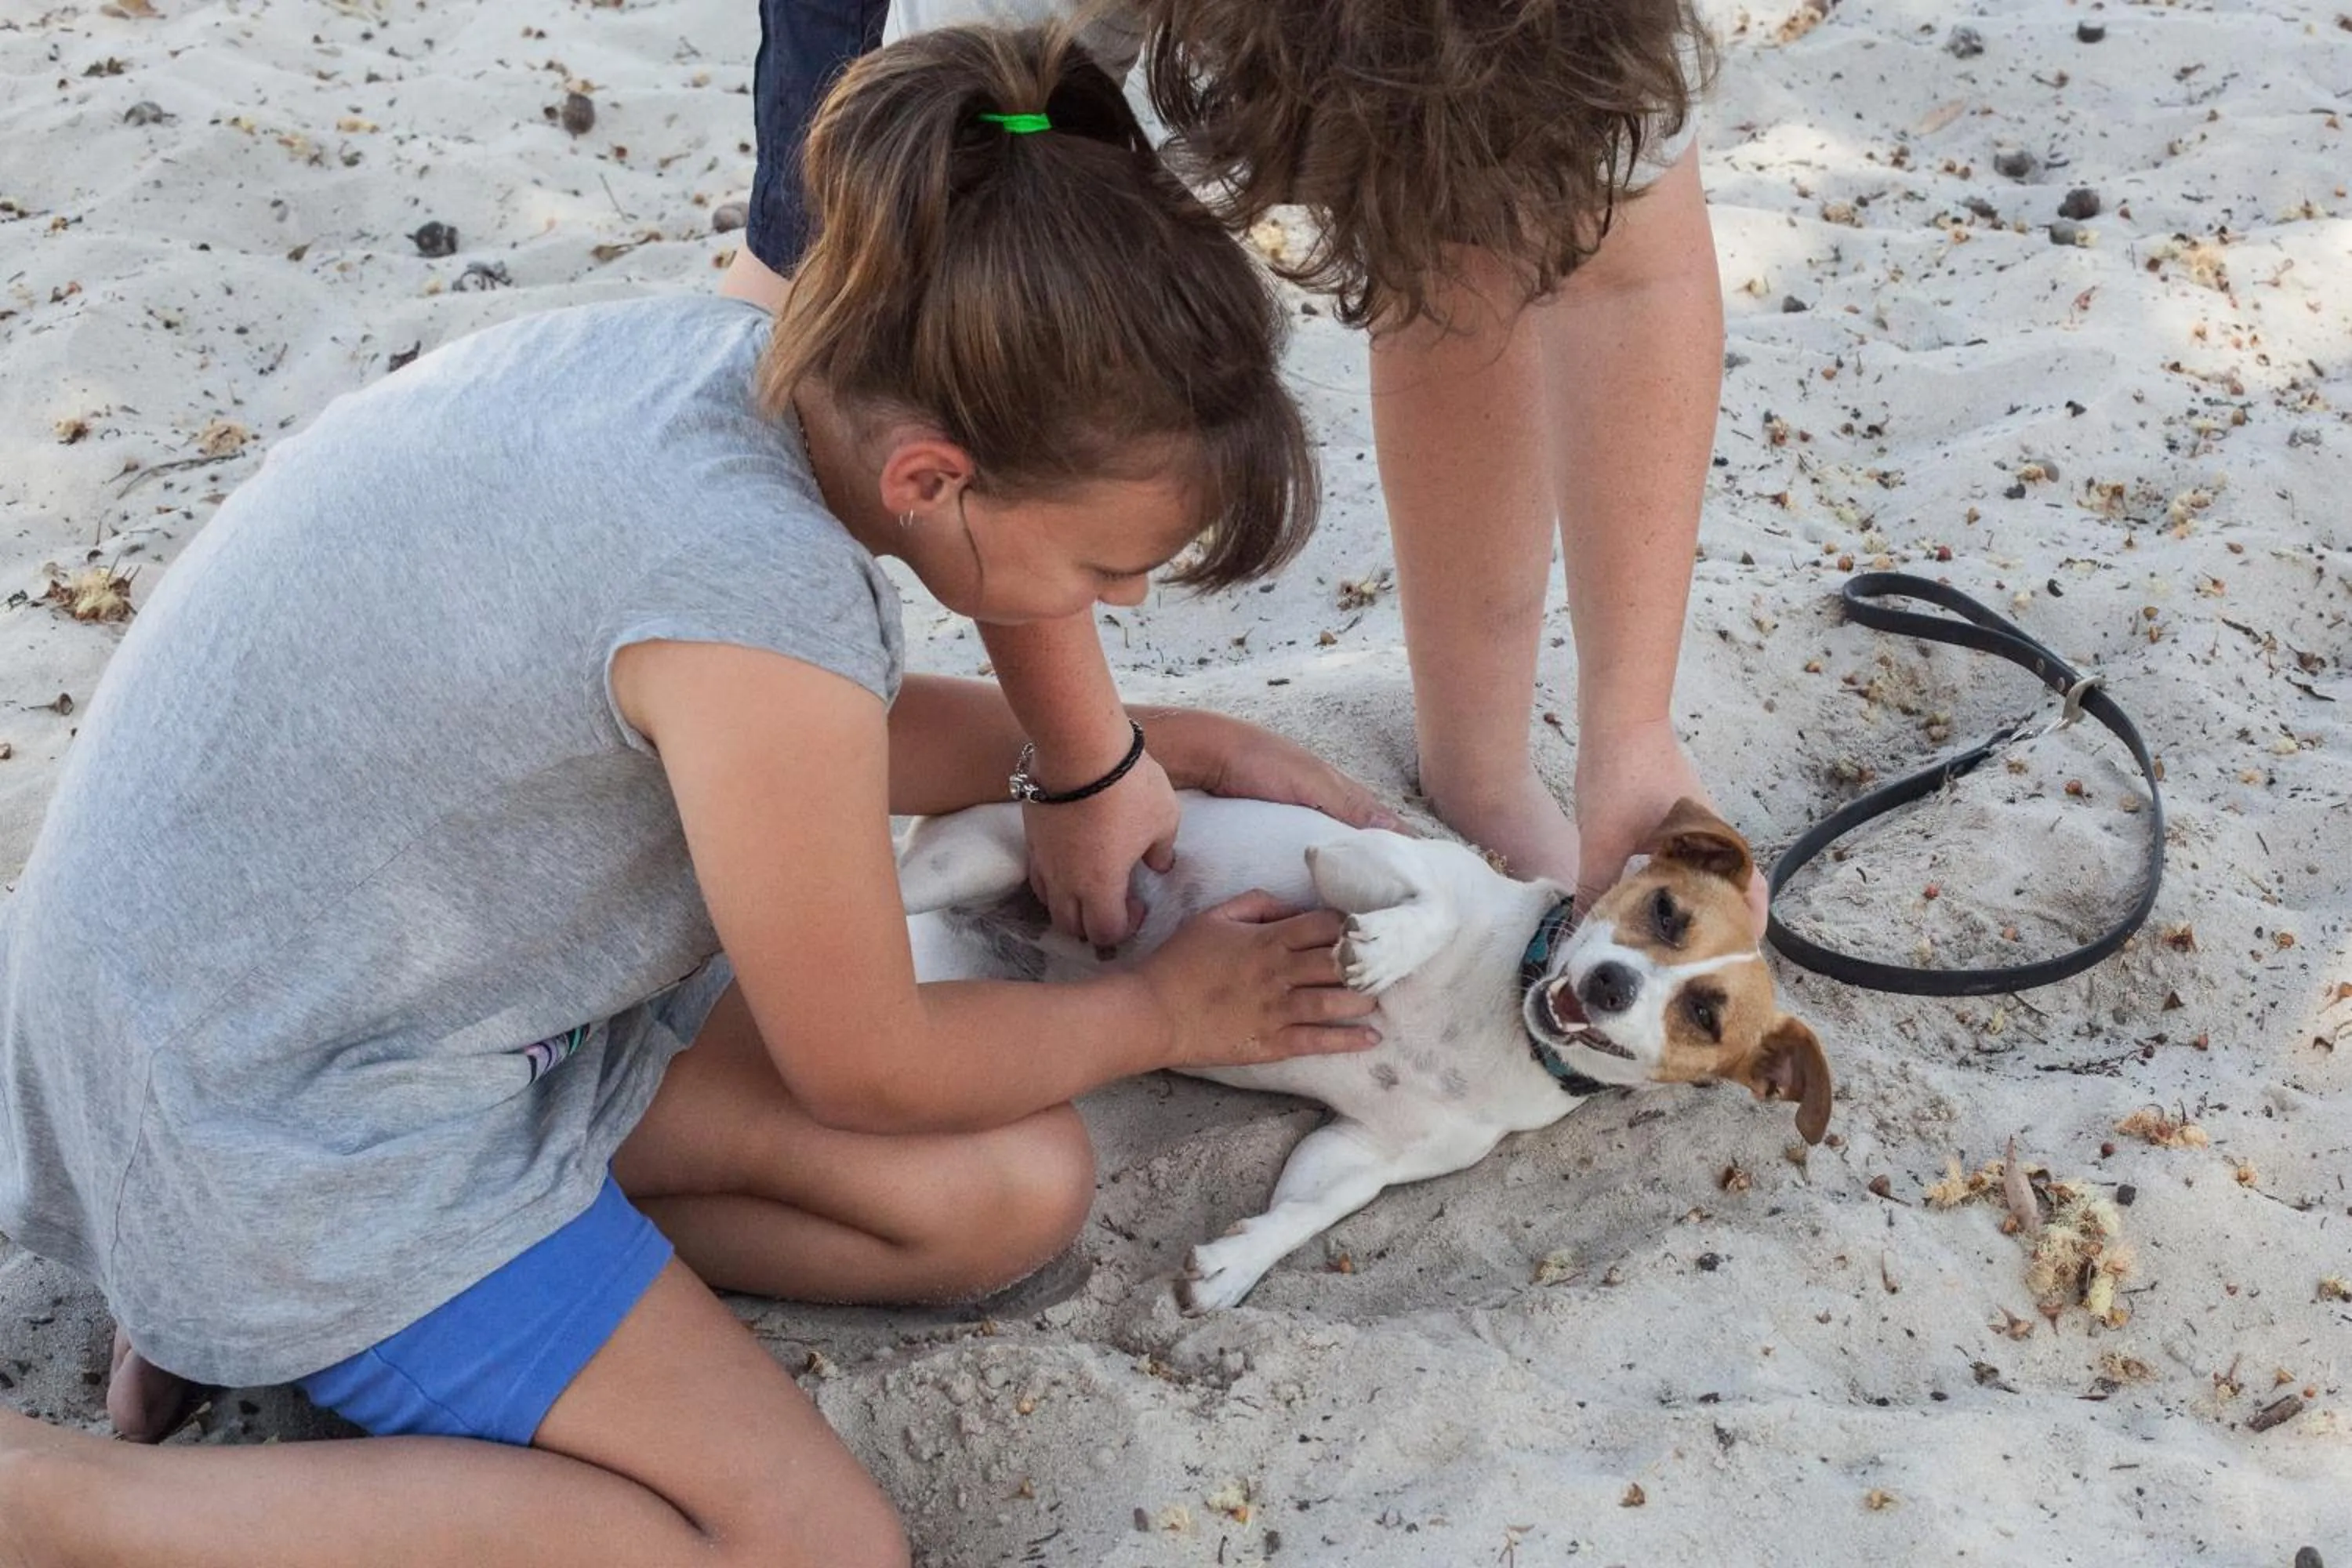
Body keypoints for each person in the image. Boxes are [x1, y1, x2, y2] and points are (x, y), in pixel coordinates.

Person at [0, 28, 1390, 1567]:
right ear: (932, 479)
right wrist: (1171, 1017)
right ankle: (70, 1502)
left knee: (1007, 1189)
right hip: (289, 1138)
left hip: (250, 1034)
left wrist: (1144, 744)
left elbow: (781, 745)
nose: (1118, 602)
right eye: (1100, 565)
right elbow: (868, 1059)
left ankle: (289, 1331)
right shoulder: (756, 595)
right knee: (804, 1546)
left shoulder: (715, 376)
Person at [726, 0, 1767, 943]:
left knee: (1479, 215)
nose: (1134, 596)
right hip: (945, 91)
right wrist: (1084, 758)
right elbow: (974, 337)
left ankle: (1479, 766)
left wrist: (1629, 734)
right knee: (804, 336)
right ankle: (712, 757)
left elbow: (1635, 284)